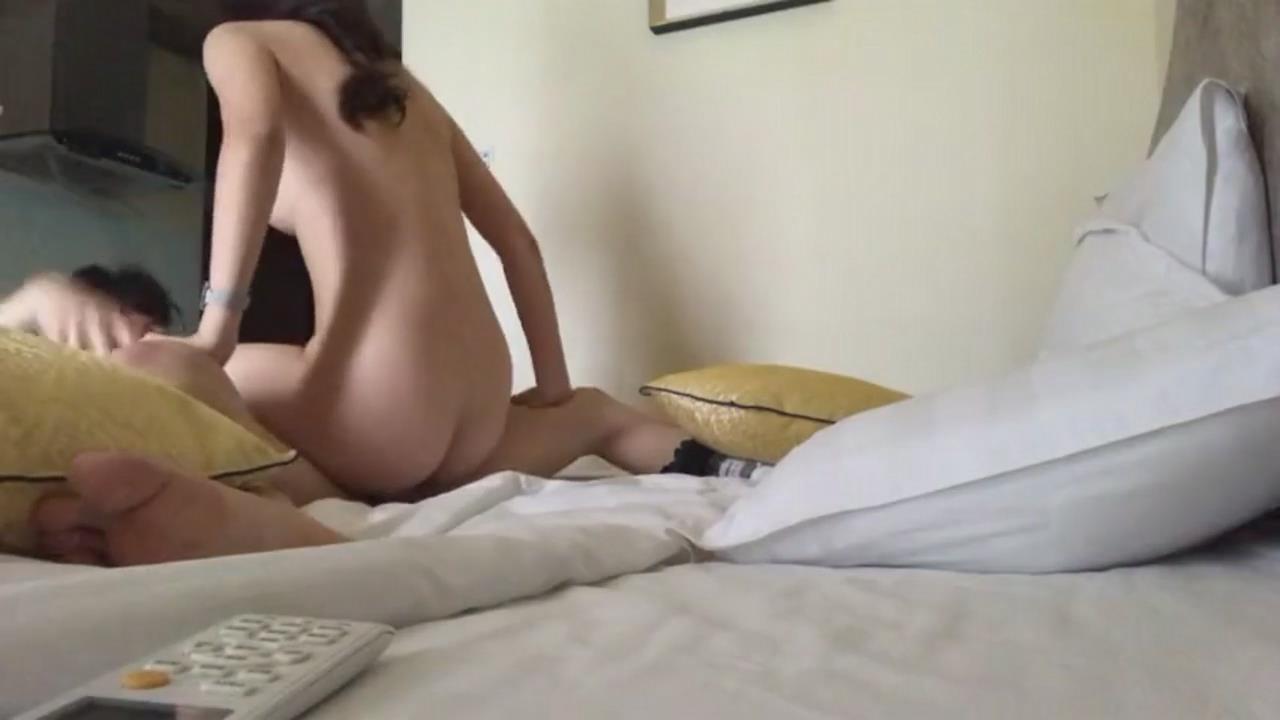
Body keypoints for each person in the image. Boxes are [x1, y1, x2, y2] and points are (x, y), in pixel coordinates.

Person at [10, 0, 700, 566]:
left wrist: (216, 331)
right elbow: (518, 244)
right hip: (481, 410)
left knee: (160, 365)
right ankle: (734, 471)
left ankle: (305, 503)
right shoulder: (406, 90)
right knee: (596, 412)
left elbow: (255, 139)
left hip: (389, 407)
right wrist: (552, 391)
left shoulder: (240, 40)